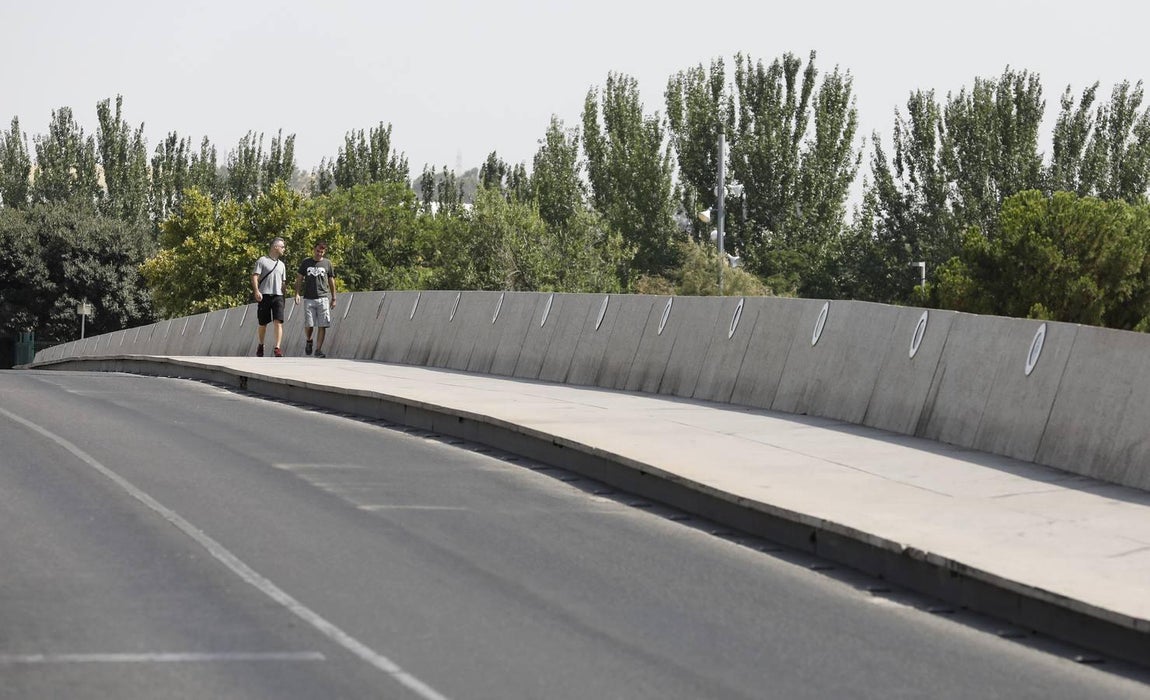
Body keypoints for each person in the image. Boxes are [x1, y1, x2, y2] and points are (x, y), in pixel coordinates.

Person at [294, 240, 337, 358]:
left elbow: (331, 281)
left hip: (323, 298)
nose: (319, 254)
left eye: (322, 252)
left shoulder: (327, 263)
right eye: (318, 251)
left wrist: (334, 298)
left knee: (323, 325)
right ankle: (309, 340)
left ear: (324, 252)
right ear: (314, 249)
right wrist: (297, 293)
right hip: (309, 298)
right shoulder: (306, 262)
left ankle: (318, 349)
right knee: (309, 324)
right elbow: (299, 279)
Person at [251, 237, 288, 357]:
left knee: (278, 322)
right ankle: (261, 344)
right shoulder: (262, 260)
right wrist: (256, 291)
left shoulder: (282, 265)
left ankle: (277, 347)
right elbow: (255, 276)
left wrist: (284, 297)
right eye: (282, 247)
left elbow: (283, 283)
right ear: (275, 247)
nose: (284, 249)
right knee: (263, 323)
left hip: (278, 296)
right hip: (264, 295)